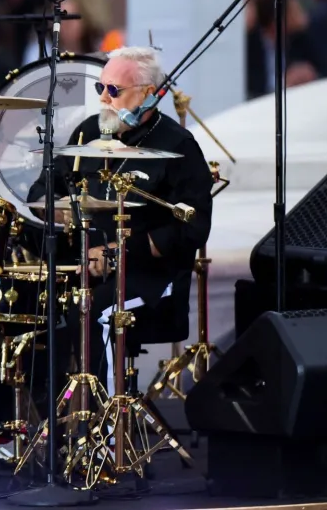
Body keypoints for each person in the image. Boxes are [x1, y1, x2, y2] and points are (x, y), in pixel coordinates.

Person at [26, 46, 214, 393]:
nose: (104, 100)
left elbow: (193, 227)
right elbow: (41, 192)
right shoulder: (86, 134)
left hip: (152, 278)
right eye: (101, 88)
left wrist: (117, 253)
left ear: (148, 94)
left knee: (94, 311)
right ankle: (47, 420)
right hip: (85, 268)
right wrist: (56, 207)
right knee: (26, 305)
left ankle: (103, 432)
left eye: (114, 90)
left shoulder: (178, 145)